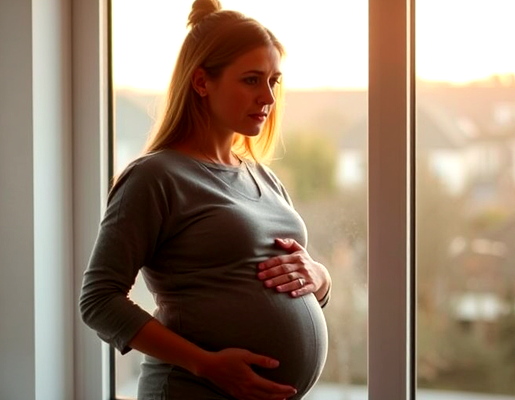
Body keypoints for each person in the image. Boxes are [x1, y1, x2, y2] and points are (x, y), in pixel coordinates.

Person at [79, 1, 332, 398]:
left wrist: (321, 278)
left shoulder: (262, 176)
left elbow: (286, 281)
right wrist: (207, 364)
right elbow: (98, 301)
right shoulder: (156, 176)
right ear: (201, 83)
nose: (267, 97)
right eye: (251, 80)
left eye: (274, 81)